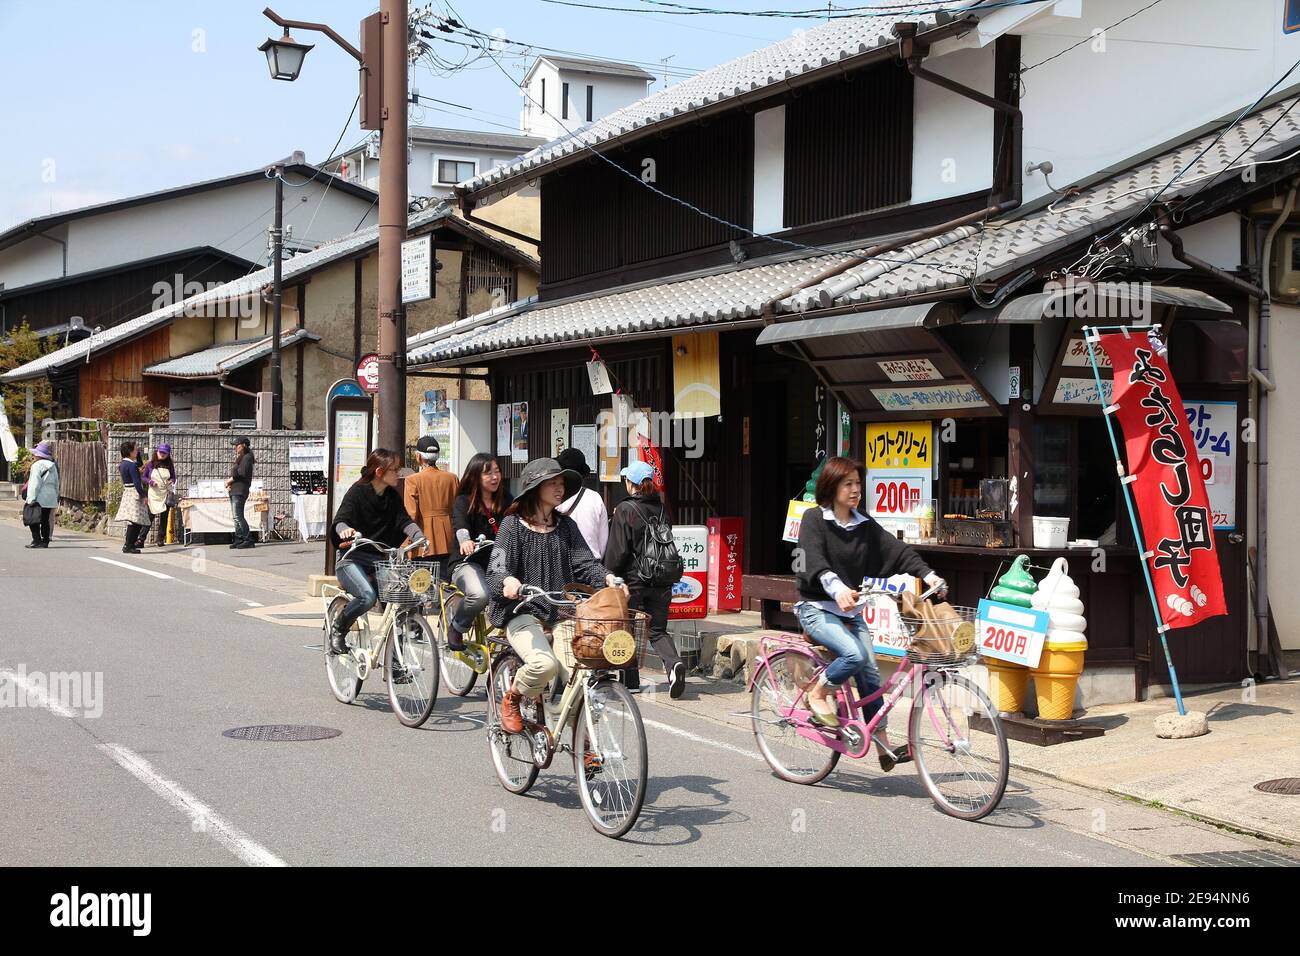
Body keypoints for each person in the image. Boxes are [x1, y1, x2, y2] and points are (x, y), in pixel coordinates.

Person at [794, 456, 947, 772]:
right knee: (853, 655)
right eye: (847, 483)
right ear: (831, 486)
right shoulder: (813, 519)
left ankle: (880, 743)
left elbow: (897, 551)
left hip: (851, 612)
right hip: (817, 609)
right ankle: (818, 693)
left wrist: (928, 575)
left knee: (870, 674)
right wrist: (836, 589)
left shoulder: (863, 523)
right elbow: (814, 561)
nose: (855, 490)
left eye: (857, 484)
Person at [485, 457, 623, 735]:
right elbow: (495, 570)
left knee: (578, 672)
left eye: (561, 483)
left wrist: (608, 578)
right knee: (544, 665)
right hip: (522, 611)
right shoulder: (513, 525)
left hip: (561, 611)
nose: (559, 488)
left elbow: (585, 563)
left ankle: (583, 741)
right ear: (535, 488)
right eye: (552, 483)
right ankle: (512, 698)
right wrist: (508, 581)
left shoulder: (566, 526)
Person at [328, 448, 427, 657]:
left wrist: (419, 536)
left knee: (399, 603)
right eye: (395, 470)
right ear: (380, 471)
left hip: (380, 560)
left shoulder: (391, 495)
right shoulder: (358, 491)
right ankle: (339, 628)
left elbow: (404, 521)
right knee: (367, 597)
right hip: (351, 559)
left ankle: (396, 662)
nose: (398, 474)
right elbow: (340, 520)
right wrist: (344, 530)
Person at [604, 460, 687, 699]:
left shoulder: (626, 509)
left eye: (627, 480)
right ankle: (674, 665)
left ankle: (631, 680)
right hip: (661, 578)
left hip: (634, 580)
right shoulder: (662, 508)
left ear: (632, 484)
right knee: (658, 630)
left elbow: (617, 551)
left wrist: (607, 574)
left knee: (627, 628)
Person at [446, 452, 513, 651]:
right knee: (480, 594)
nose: (495, 477)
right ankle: (458, 626)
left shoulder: (506, 499)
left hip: (498, 558)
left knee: (518, 593)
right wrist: (465, 541)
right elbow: (460, 526)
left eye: (497, 471)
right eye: (488, 473)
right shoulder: (463, 501)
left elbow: (519, 519)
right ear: (475, 476)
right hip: (467, 560)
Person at [403, 435, 458, 568]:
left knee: (424, 583)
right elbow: (458, 508)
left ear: (419, 457)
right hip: (449, 539)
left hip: (423, 540)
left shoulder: (412, 480)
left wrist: (406, 543)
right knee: (446, 583)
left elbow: (411, 514)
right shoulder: (452, 478)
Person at [556, 447, 608, 557]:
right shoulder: (595, 498)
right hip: (592, 566)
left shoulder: (553, 497)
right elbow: (603, 541)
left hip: (562, 565)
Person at [140, 443, 178, 548]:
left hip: (165, 493)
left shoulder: (170, 464)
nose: (162, 454)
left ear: (168, 454)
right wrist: (151, 482)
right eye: (161, 452)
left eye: (165, 453)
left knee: (164, 517)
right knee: (150, 516)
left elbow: (174, 477)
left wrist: (172, 480)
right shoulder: (150, 464)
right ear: (157, 452)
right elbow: (144, 477)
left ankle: (161, 538)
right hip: (153, 494)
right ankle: (141, 539)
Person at [115, 440, 149, 554]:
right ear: (130, 451)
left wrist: (138, 457)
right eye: (135, 449)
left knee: (133, 521)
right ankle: (129, 545)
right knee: (137, 521)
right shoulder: (131, 465)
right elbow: (137, 483)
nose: (137, 450)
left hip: (127, 491)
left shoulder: (123, 464)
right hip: (134, 492)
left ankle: (128, 544)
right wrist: (144, 495)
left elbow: (137, 466)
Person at [24, 442, 59, 549]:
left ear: (38, 455)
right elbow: (57, 483)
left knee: (32, 519)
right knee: (45, 520)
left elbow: (35, 483)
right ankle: (45, 541)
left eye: (35, 454)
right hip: (50, 496)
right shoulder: (53, 466)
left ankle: (36, 540)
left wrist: (31, 498)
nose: (33, 456)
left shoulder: (36, 466)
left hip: (39, 496)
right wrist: (56, 496)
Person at [225, 436, 255, 549]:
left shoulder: (247, 458)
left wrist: (230, 480)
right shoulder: (241, 458)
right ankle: (239, 538)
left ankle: (248, 539)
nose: (235, 448)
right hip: (235, 489)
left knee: (238, 516)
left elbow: (241, 473)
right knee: (235, 516)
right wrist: (230, 483)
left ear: (243, 445)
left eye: (237, 445)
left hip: (240, 490)